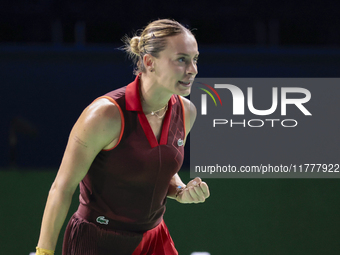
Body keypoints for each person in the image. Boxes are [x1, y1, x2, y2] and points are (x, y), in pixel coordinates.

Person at [36, 18, 210, 255]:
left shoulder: (187, 112)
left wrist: (181, 190)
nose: (193, 70)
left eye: (195, 59)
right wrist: (44, 252)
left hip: (154, 238)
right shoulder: (105, 115)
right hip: (98, 241)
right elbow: (62, 187)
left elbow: (158, 166)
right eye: (182, 59)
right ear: (149, 62)